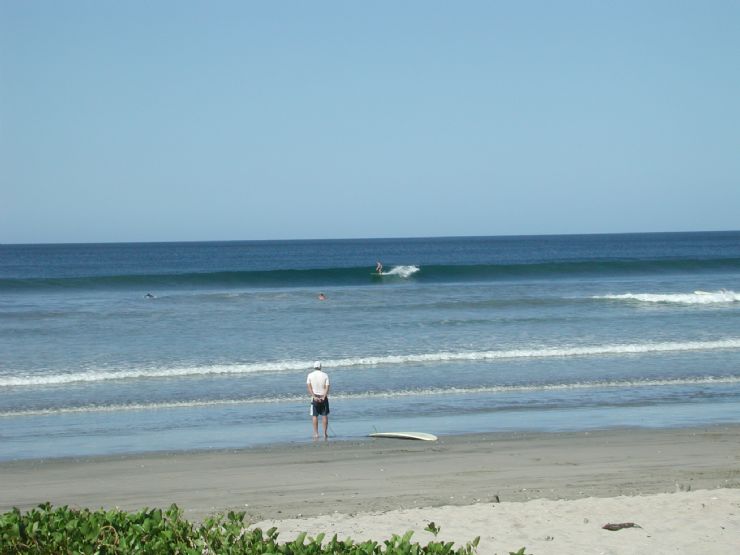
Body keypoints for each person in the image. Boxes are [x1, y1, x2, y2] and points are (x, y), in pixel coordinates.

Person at [306, 361, 330, 439]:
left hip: (315, 397)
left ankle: (316, 433)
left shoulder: (310, 375)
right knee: (324, 415)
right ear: (320, 367)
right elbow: (327, 387)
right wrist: (324, 396)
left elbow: (309, 387)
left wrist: (314, 396)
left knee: (315, 416)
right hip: (323, 396)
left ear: (314, 367)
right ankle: (325, 433)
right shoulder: (325, 375)